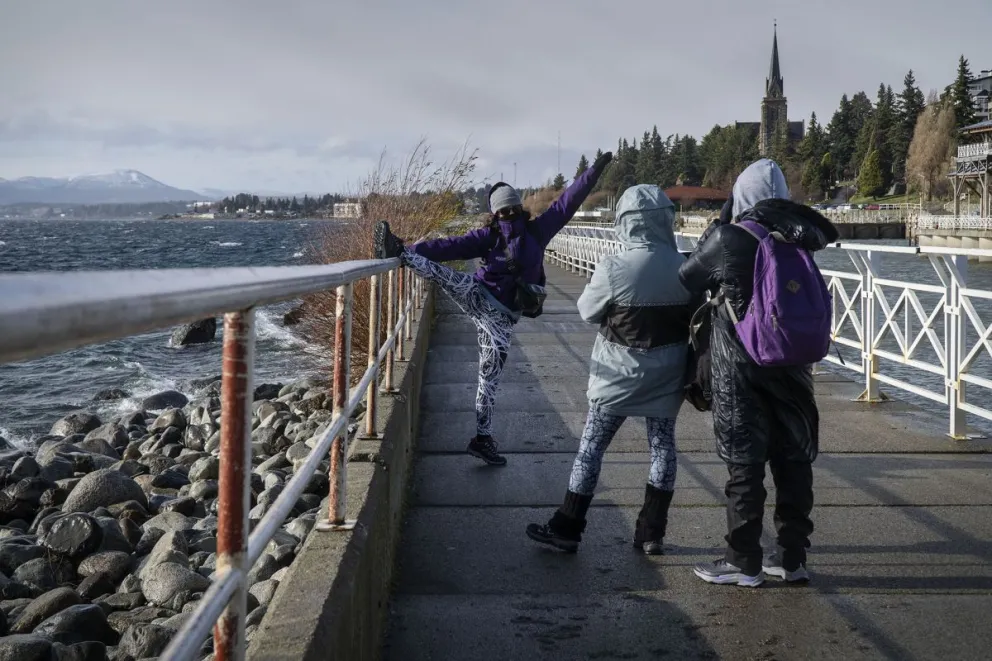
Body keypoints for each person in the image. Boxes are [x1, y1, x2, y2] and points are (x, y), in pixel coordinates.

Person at [373, 151, 613, 466]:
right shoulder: (498, 235)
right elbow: (451, 246)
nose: (509, 215)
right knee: (445, 277)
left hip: (497, 316)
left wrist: (594, 171)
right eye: (505, 211)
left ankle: (482, 439)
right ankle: (399, 251)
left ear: (517, 209)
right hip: (482, 300)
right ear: (498, 213)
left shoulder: (530, 232)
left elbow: (569, 201)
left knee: (488, 378)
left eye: (512, 209)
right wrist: (415, 249)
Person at [678, 158, 838, 587]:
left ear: (742, 196)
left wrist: (719, 224)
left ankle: (743, 560)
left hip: (741, 363)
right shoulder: (802, 234)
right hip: (794, 361)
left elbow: (687, 277)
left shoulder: (732, 237)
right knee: (793, 458)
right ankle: (791, 558)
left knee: (745, 462)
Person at [525, 184, 695, 553]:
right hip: (669, 372)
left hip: (618, 375)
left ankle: (567, 527)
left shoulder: (614, 267)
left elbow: (587, 312)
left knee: (592, 448)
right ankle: (651, 533)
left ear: (625, 222)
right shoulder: (686, 267)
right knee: (663, 447)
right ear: (666, 220)